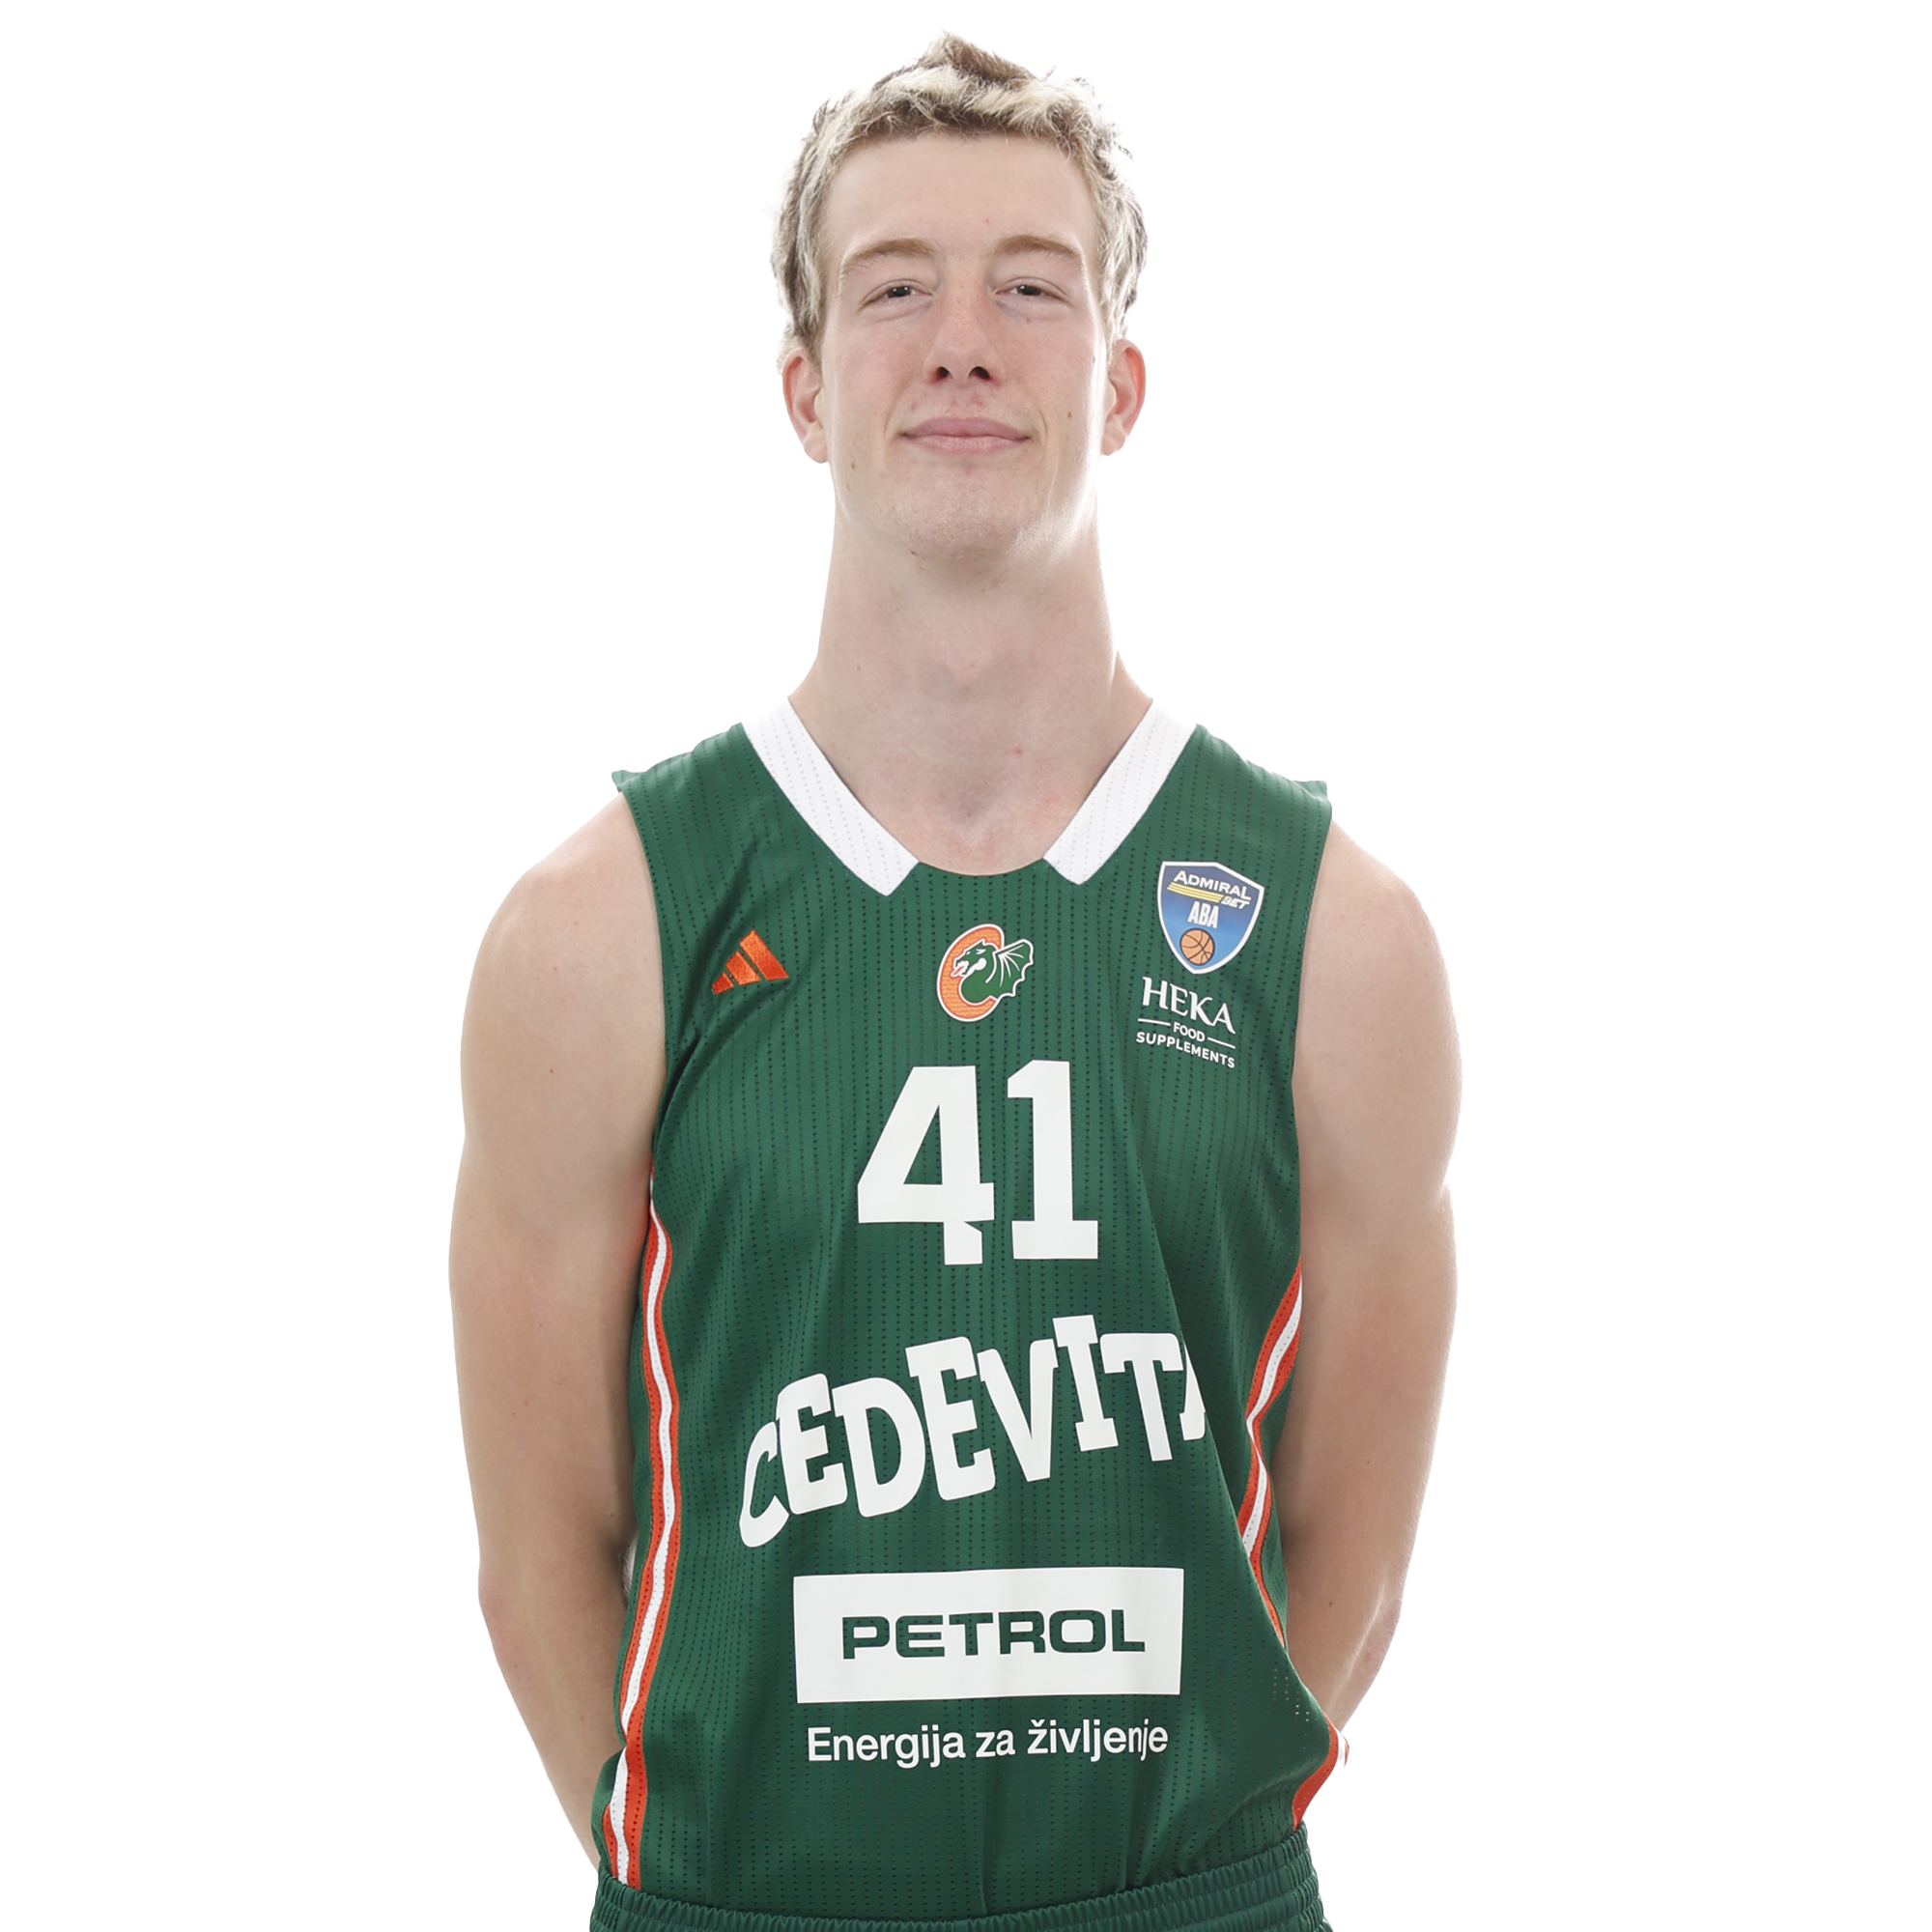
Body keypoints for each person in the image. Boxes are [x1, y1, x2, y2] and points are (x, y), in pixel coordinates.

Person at [450, 31, 1459, 1932]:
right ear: (804, 385)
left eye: (1033, 288)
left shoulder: (1335, 933)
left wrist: (1172, 1852)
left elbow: (1359, 1555)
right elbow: (539, 1556)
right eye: (896, 288)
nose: (965, 344)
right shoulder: (601, 926)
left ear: (1122, 379)